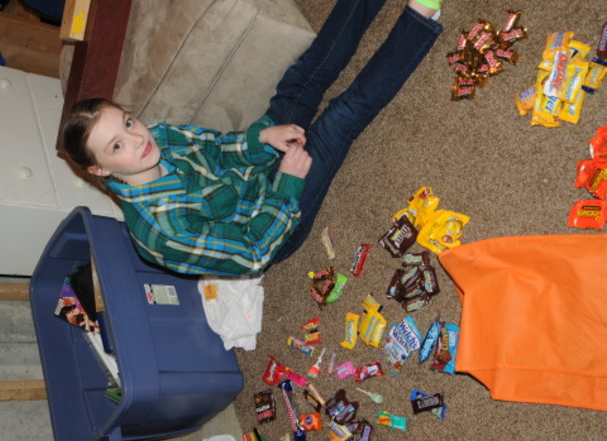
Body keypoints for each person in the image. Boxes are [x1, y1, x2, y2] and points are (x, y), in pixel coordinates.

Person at [60, 0, 443, 276]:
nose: (136, 138)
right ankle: (419, 19)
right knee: (337, 120)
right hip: (272, 224)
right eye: (116, 146)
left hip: (252, 172)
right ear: (100, 169)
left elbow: (216, 148)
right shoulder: (164, 232)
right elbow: (253, 253)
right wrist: (286, 185)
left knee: (301, 80)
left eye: (128, 122)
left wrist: (261, 140)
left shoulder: (158, 137)